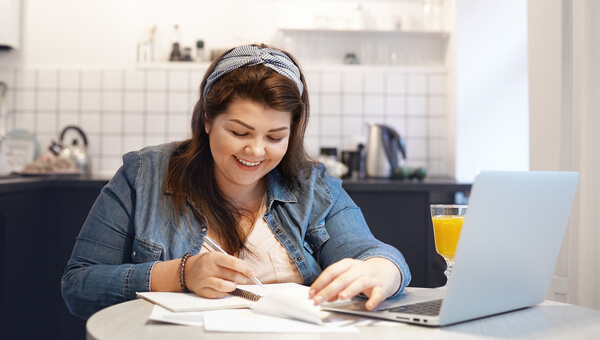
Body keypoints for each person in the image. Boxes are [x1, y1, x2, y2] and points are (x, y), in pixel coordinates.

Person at [61, 44, 411, 319]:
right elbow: (78, 286)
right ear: (207, 121)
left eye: (275, 137)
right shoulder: (144, 175)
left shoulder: (313, 187)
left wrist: (381, 272)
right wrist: (182, 274)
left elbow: (373, 253)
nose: (256, 150)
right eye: (239, 131)